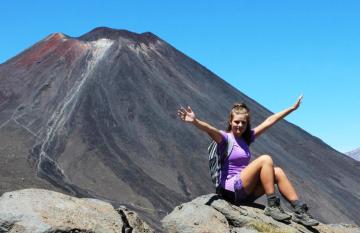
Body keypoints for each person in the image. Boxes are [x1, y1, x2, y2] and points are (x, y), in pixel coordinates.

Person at [177, 95, 319, 226]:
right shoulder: (225, 139)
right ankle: (272, 205)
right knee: (265, 159)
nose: (239, 125)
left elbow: (270, 120)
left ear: (247, 124)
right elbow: (209, 129)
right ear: (230, 121)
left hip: (245, 191)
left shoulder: (247, 138)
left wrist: (292, 108)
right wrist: (195, 121)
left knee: (278, 172)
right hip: (230, 191)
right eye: (236, 122)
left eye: (243, 123)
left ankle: (300, 211)